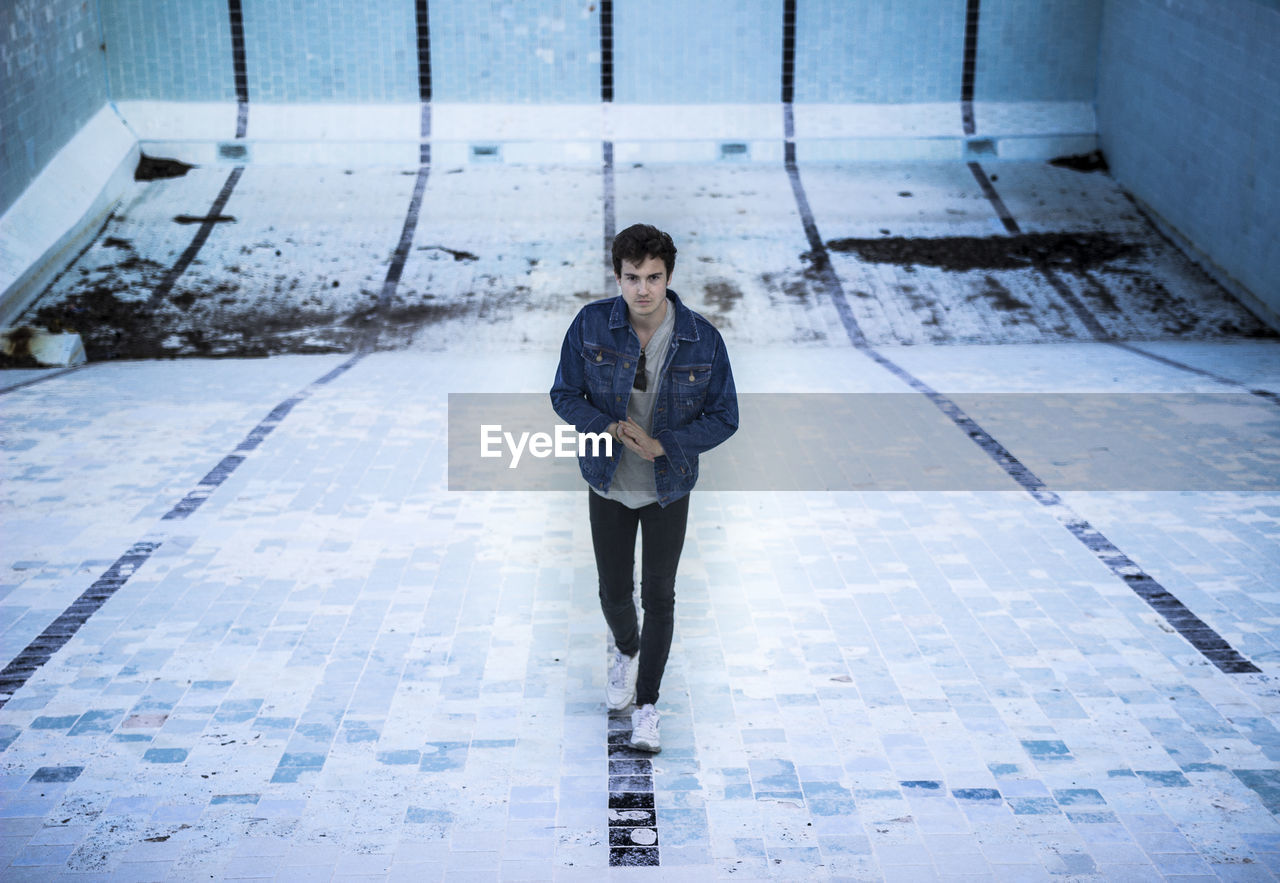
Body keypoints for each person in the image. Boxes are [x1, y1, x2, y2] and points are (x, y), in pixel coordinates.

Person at [550, 223, 738, 752]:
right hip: (608, 483)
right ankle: (626, 652)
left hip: (666, 488)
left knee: (659, 595)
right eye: (632, 277)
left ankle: (649, 705)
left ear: (669, 276)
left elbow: (727, 417)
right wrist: (606, 426)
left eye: (654, 277)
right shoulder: (590, 326)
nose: (643, 290)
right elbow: (563, 394)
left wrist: (666, 446)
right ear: (618, 276)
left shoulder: (702, 337)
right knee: (614, 593)